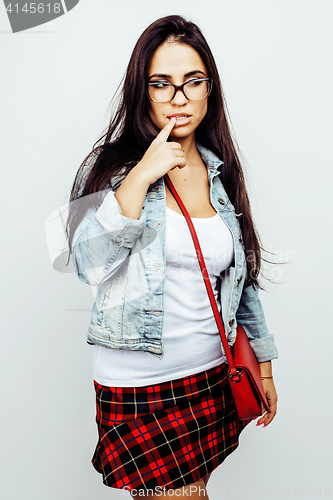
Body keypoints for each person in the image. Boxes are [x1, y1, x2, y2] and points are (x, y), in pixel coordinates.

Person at [65, 14, 278, 498]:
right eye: (161, 84)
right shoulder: (115, 168)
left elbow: (241, 280)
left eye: (192, 82)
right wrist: (141, 176)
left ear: (209, 89)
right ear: (143, 91)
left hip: (211, 377)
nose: (178, 98)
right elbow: (87, 264)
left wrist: (263, 367)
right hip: (141, 389)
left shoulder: (221, 173)